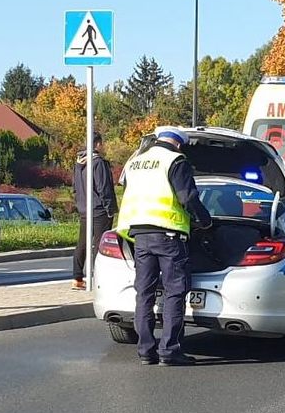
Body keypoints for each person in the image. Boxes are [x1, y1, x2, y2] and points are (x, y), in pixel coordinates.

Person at [116, 128, 212, 367]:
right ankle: (170, 350)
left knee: (144, 293)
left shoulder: (136, 162)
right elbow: (187, 197)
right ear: (179, 144)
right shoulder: (175, 160)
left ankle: (146, 351)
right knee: (174, 293)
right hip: (168, 235)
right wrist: (205, 221)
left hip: (138, 234)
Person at [73, 132, 117, 289]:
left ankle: (77, 277)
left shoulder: (79, 163)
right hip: (99, 209)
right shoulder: (98, 163)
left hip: (84, 208)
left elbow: (75, 187)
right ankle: (97, 277)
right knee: (100, 244)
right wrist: (110, 208)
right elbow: (103, 187)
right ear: (97, 144)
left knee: (83, 243)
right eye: (101, 143)